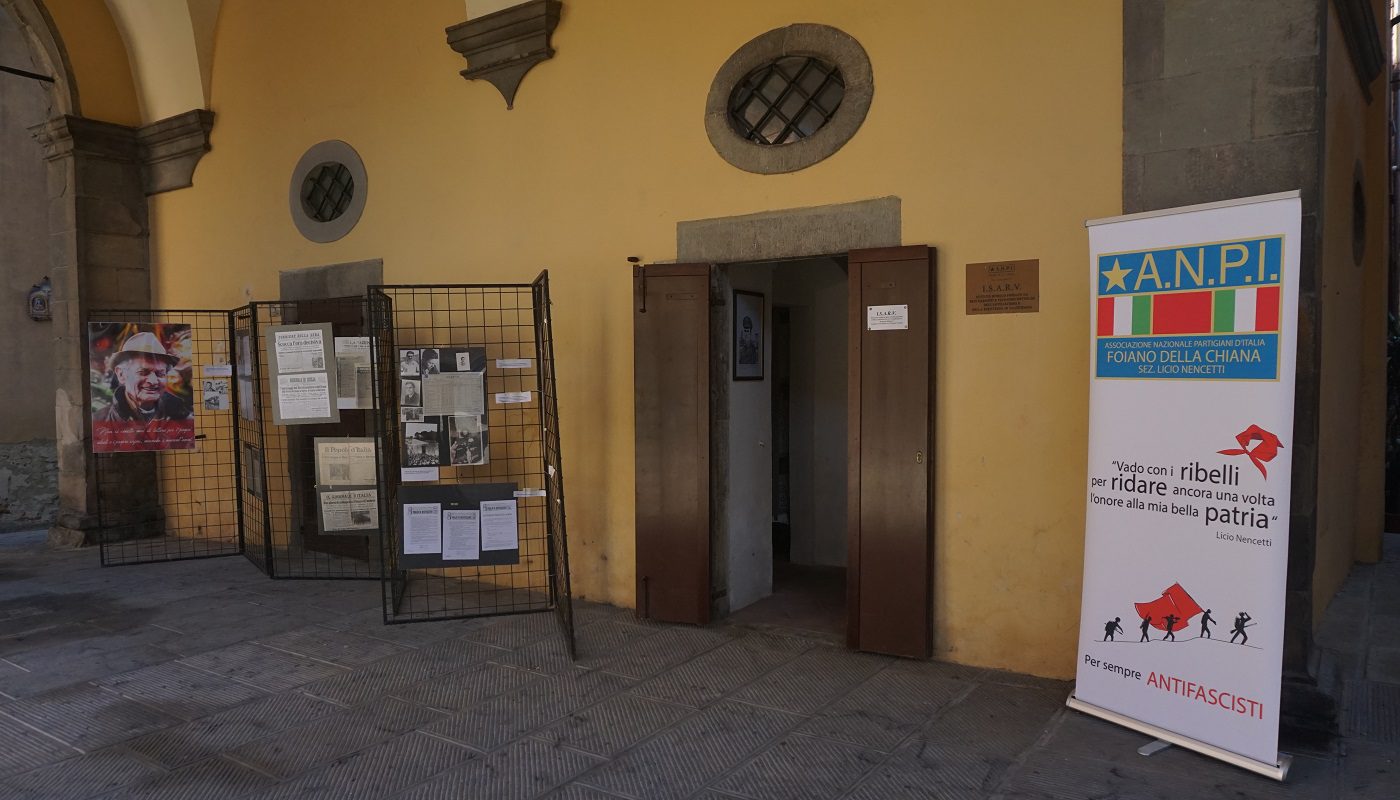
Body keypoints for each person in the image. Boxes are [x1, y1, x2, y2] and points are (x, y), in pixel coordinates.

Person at [94, 332, 191, 422]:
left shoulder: (182, 418)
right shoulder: (99, 422)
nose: (153, 381)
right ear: (121, 374)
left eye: (160, 373)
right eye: (143, 372)